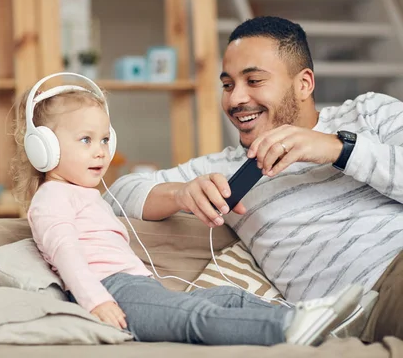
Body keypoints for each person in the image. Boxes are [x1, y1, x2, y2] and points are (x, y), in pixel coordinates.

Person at [10, 72, 363, 347]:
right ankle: (286, 328)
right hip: (112, 293)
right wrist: (96, 302)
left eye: (105, 139)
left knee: (227, 296)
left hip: (138, 287)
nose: (101, 151)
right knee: (196, 316)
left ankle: (315, 321)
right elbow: (66, 254)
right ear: (44, 149)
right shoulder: (51, 198)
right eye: (86, 140)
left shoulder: (87, 195)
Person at [104, 17, 403, 341]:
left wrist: (338, 149)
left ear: (303, 84)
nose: (234, 100)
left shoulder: (368, 113)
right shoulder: (225, 167)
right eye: (228, 85)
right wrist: (180, 194)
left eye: (254, 81)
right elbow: (115, 197)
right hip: (363, 307)